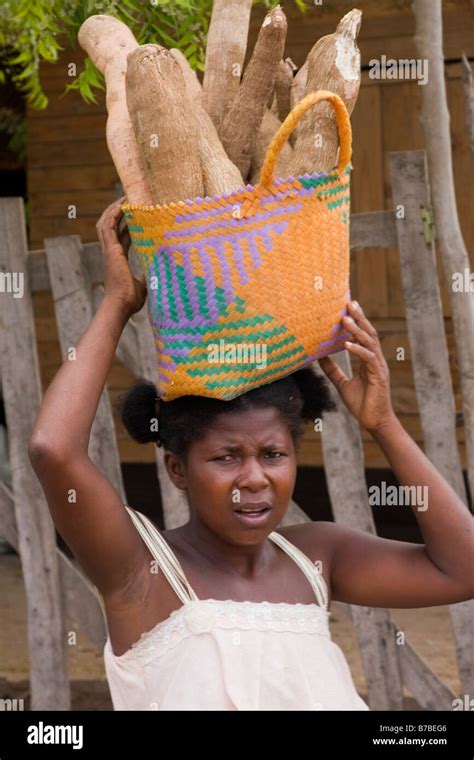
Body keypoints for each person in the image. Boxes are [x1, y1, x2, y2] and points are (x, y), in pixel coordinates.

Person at [29, 199, 474, 711]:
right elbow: (52, 449)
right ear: (177, 469)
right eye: (225, 457)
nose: (255, 477)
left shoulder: (317, 558)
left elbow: (462, 569)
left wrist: (383, 424)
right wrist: (118, 302)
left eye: (273, 454)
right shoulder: (141, 570)